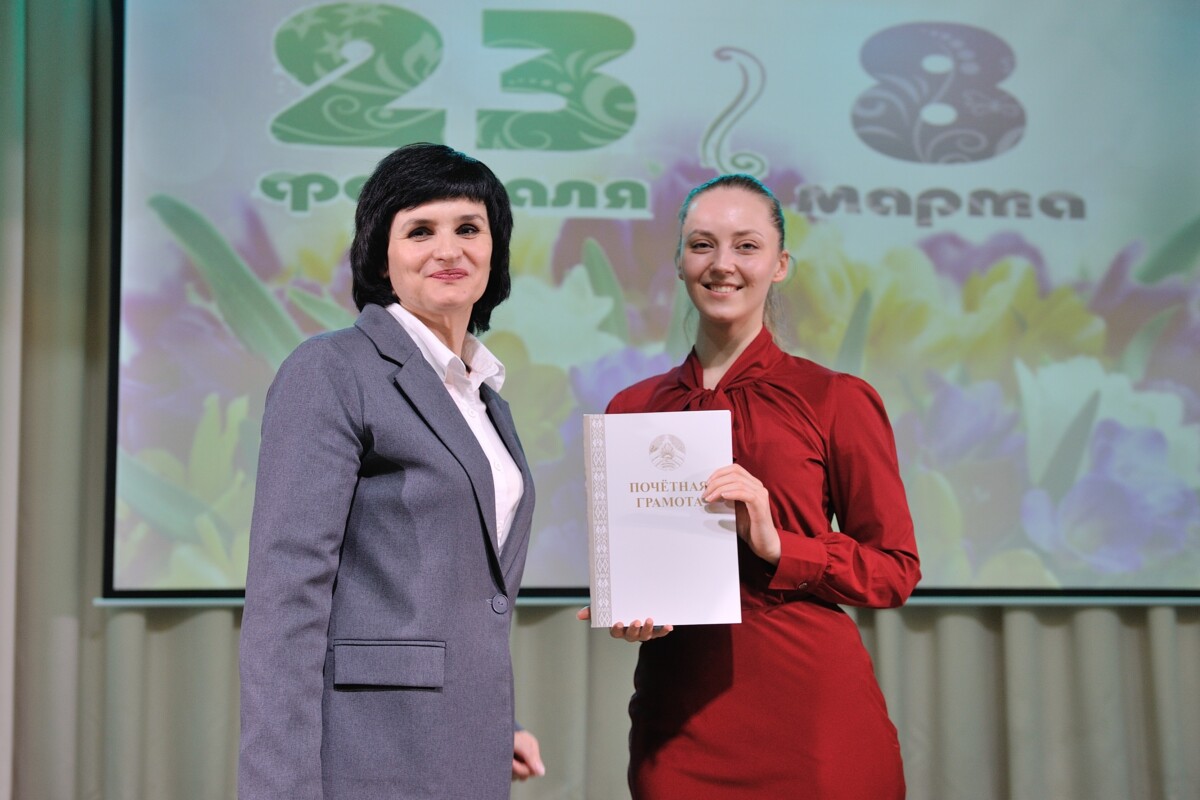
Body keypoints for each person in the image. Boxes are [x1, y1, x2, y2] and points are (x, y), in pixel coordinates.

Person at [579, 173, 921, 798]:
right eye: (702, 245)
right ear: (679, 262)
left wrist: (780, 544)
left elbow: (895, 570)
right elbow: (642, 565)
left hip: (814, 724)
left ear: (780, 264)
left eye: (746, 246)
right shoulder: (633, 409)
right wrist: (629, 606)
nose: (722, 264)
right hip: (678, 723)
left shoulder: (835, 398)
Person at [239, 142, 544, 800]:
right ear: (382, 254)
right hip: (369, 752)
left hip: (461, 742)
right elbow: (286, 599)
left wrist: (496, 723)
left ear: (495, 250)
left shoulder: (484, 398)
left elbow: (453, 595)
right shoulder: (333, 370)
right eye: (420, 230)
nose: (448, 250)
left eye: (469, 229)